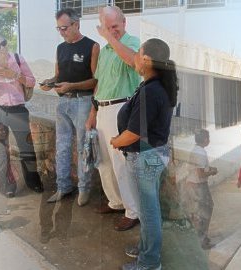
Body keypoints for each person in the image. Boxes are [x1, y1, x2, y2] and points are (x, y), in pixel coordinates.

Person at [110, 38, 178, 270]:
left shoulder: (152, 91)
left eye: (138, 54)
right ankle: (146, 249)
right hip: (152, 155)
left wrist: (116, 141)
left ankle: (149, 263)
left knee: (148, 214)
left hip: (145, 158)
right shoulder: (156, 84)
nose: (135, 59)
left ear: (147, 60)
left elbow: (133, 133)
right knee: (149, 209)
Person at [86, 6, 141, 231]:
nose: (111, 32)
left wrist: (110, 38)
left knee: (121, 163)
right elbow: (99, 84)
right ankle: (115, 202)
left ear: (124, 22)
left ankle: (132, 211)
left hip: (122, 108)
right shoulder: (106, 50)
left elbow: (133, 61)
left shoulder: (133, 42)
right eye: (107, 28)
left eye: (115, 27)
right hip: (103, 109)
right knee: (103, 162)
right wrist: (92, 113)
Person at [40, 8, 99, 206]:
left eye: (64, 28)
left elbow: (95, 81)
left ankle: (84, 188)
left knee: (83, 147)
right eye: (58, 28)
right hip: (63, 102)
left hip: (83, 102)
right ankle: (63, 186)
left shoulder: (92, 46)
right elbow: (59, 75)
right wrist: (50, 82)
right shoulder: (60, 48)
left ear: (76, 24)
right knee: (62, 148)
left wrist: (72, 86)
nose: (62, 32)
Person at [0, 32, 43, 193]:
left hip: (18, 109)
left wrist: (14, 75)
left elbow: (31, 81)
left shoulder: (17, 59)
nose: (2, 47)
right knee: (0, 149)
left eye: (4, 43)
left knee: (26, 147)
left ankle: (33, 182)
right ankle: (7, 185)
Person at [183, 129, 217, 250]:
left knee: (201, 211)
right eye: (208, 138)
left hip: (193, 184)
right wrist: (212, 172)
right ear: (205, 140)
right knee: (205, 211)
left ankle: (201, 236)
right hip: (198, 185)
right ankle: (201, 240)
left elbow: (198, 168)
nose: (209, 140)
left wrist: (210, 168)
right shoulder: (201, 152)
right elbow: (200, 173)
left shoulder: (196, 150)